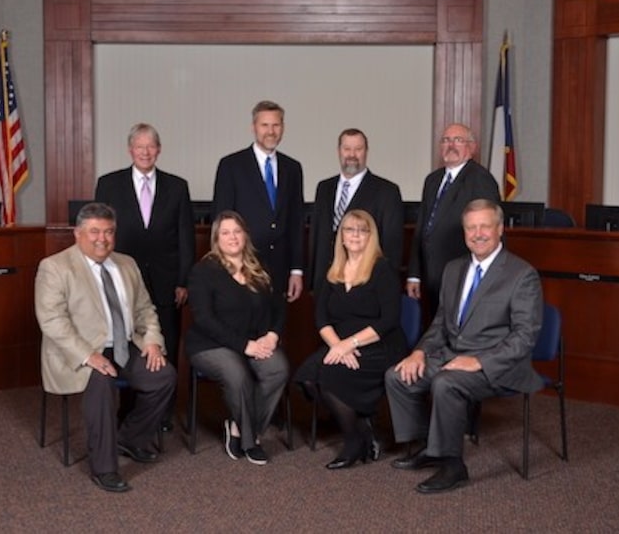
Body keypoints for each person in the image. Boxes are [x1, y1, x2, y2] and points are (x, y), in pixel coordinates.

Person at [385, 199, 543, 494]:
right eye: (471, 227)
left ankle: (453, 465)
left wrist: (479, 361)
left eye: (485, 226)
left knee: (447, 383)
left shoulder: (522, 275)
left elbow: (525, 336)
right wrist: (419, 351)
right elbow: (441, 322)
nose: (477, 233)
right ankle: (430, 446)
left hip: (497, 364)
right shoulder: (454, 269)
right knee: (397, 376)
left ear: (500, 229)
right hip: (451, 355)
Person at [35, 202, 176, 493]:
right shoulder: (55, 267)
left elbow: (146, 310)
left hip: (124, 345)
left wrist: (152, 341)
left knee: (164, 376)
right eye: (95, 231)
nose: (103, 239)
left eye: (109, 232)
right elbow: (52, 321)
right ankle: (105, 468)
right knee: (101, 384)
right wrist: (88, 355)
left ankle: (130, 438)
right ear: (78, 234)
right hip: (80, 352)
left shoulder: (126, 263)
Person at [95, 122, 195, 431]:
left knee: (164, 343)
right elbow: (99, 235)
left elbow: (185, 237)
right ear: (130, 150)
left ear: (159, 150)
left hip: (167, 283)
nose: (145, 152)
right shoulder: (108, 184)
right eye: (140, 146)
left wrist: (183, 280)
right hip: (122, 281)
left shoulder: (177, 186)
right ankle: (127, 413)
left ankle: (162, 415)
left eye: (151, 146)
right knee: (126, 345)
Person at [295, 209, 407, 469]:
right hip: (341, 344)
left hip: (379, 344)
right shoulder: (332, 270)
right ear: (341, 236)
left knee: (330, 376)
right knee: (308, 377)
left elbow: (388, 320)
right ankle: (364, 427)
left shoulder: (383, 269)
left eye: (362, 230)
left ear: (371, 236)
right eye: (349, 229)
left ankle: (353, 442)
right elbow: (321, 318)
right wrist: (338, 345)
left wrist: (350, 344)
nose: (355, 235)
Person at [184, 210, 290, 465]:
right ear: (216, 238)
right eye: (225, 233)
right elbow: (205, 320)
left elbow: (279, 306)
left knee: (278, 369)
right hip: (211, 344)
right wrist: (245, 346)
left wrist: (273, 335)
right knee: (237, 373)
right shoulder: (204, 271)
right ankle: (250, 441)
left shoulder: (260, 265)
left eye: (237, 232)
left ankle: (240, 428)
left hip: (258, 340)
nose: (232, 237)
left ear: (245, 235)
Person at [212, 100, 305, 302]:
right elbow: (222, 220)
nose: (270, 131)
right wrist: (228, 267)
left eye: (276, 125)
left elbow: (296, 222)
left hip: (280, 271)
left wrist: (296, 270)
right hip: (242, 268)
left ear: (283, 128)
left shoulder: (293, 168)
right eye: (265, 125)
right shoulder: (231, 166)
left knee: (276, 330)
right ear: (253, 127)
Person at [406, 123, 500, 320]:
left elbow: (486, 232)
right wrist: (414, 274)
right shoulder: (432, 180)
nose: (451, 145)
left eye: (458, 140)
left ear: (472, 147)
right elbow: (422, 228)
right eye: (446, 140)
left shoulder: (480, 179)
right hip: (430, 276)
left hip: (461, 275)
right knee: (434, 331)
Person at [308, 128, 404, 293]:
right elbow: (316, 236)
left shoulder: (386, 191)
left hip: (365, 283)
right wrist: (312, 280)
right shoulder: (324, 188)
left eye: (358, 149)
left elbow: (391, 244)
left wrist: (386, 285)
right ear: (339, 151)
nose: (352, 155)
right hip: (324, 281)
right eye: (347, 149)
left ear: (366, 152)